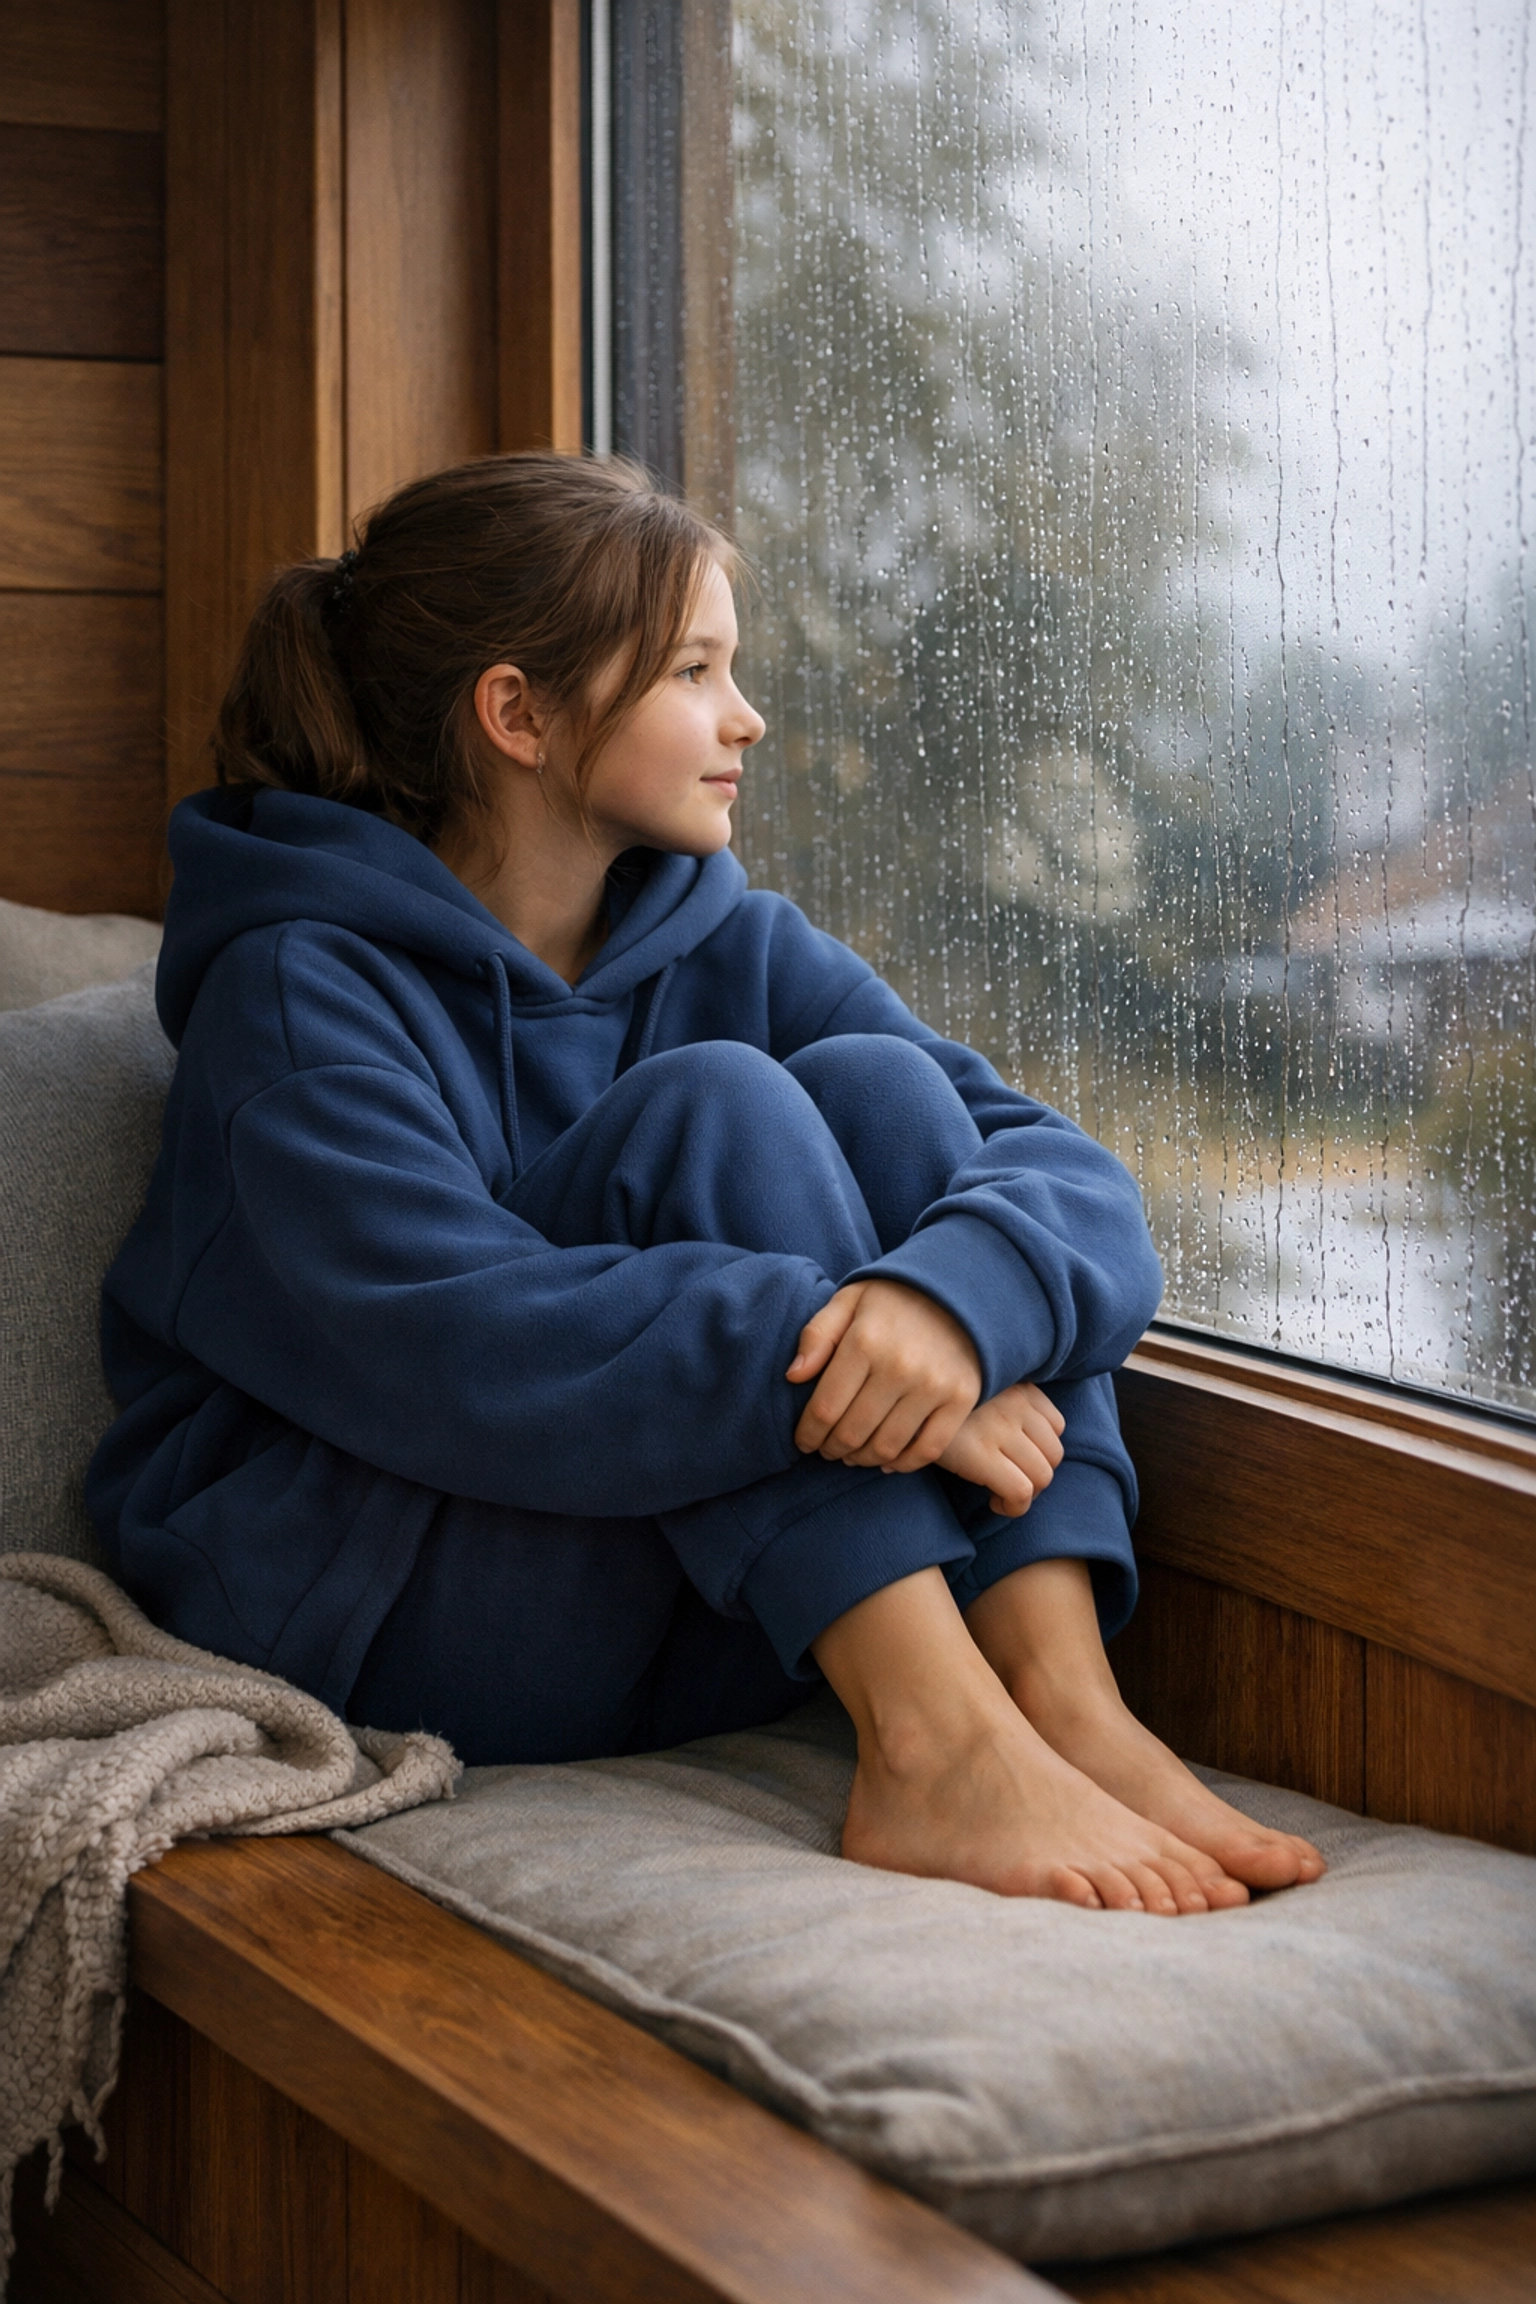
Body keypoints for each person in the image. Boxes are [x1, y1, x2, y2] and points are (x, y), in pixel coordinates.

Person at [88, 454, 1323, 1915]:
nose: (746, 717)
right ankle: (930, 1744)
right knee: (718, 1106)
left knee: (890, 1097)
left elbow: (1065, 1173)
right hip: (381, 1600)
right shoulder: (296, 994)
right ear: (518, 713)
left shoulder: (732, 941)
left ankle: (1058, 1694)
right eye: (694, 670)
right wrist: (869, 1357)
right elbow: (455, 1345)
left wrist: (950, 1311)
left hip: (681, 1588)